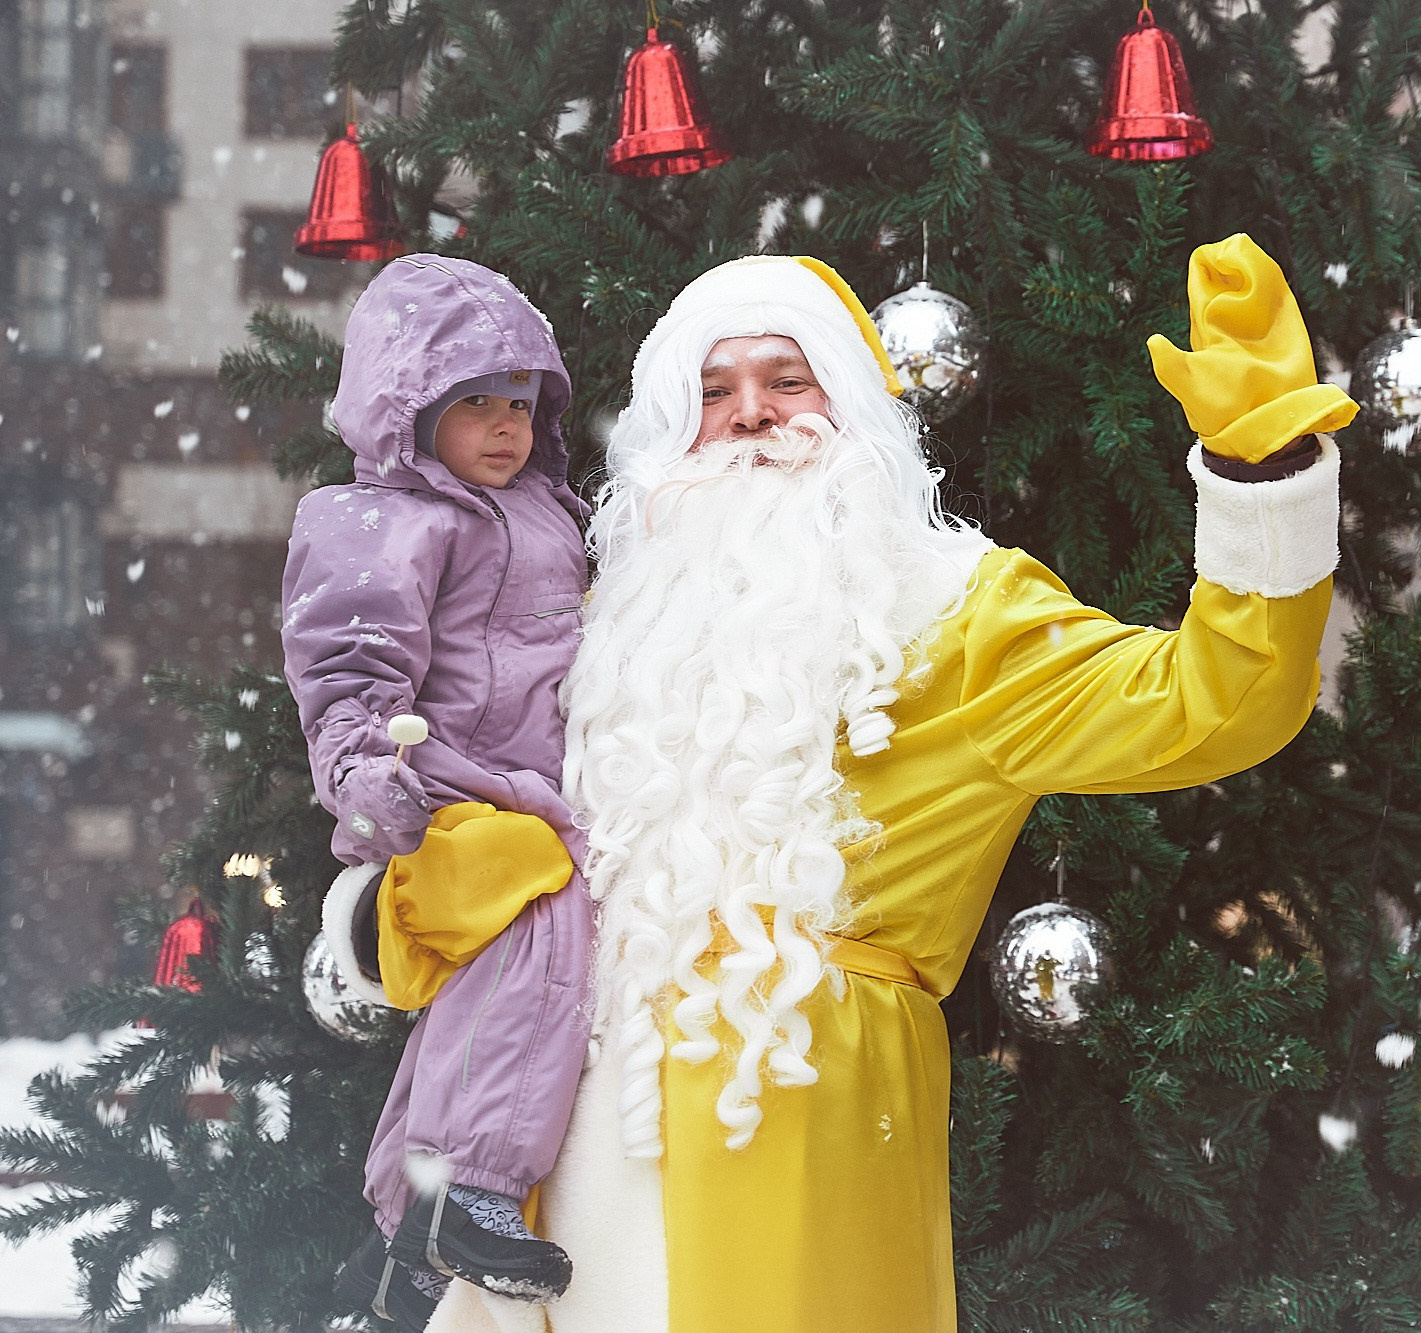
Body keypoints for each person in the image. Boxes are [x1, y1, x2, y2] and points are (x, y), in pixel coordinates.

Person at [429, 236, 1354, 1333]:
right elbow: (486, 853)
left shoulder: (959, 616)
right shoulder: (609, 625)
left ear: (856, 410)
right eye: (712, 392)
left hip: (800, 1126)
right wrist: (389, 916)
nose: (751, 414)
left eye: (788, 379)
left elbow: (1220, 697)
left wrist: (1262, 474)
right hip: (562, 1153)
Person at [279, 255, 594, 1330]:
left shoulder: (545, 508)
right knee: (539, 929)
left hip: (534, 790)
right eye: (475, 405)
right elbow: (347, 664)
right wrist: (364, 775)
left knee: (479, 996)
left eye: (522, 405)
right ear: (407, 411)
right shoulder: (379, 519)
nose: (506, 428)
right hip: (446, 785)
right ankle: (469, 1189)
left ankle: (401, 1246)